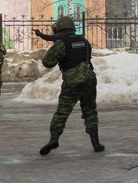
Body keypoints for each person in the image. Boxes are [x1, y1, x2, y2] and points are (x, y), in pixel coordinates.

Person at [36, 16, 104, 155]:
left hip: (72, 81)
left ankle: (54, 139)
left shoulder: (61, 43)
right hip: (89, 79)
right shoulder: (84, 41)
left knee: (62, 111)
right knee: (90, 111)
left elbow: (48, 63)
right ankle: (95, 143)